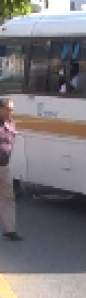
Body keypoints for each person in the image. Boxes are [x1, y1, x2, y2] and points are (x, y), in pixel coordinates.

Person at [0, 98, 21, 240]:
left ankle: (10, 229)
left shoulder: (11, 123)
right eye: (8, 109)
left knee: (8, 197)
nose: (10, 112)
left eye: (12, 109)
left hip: (4, 166)